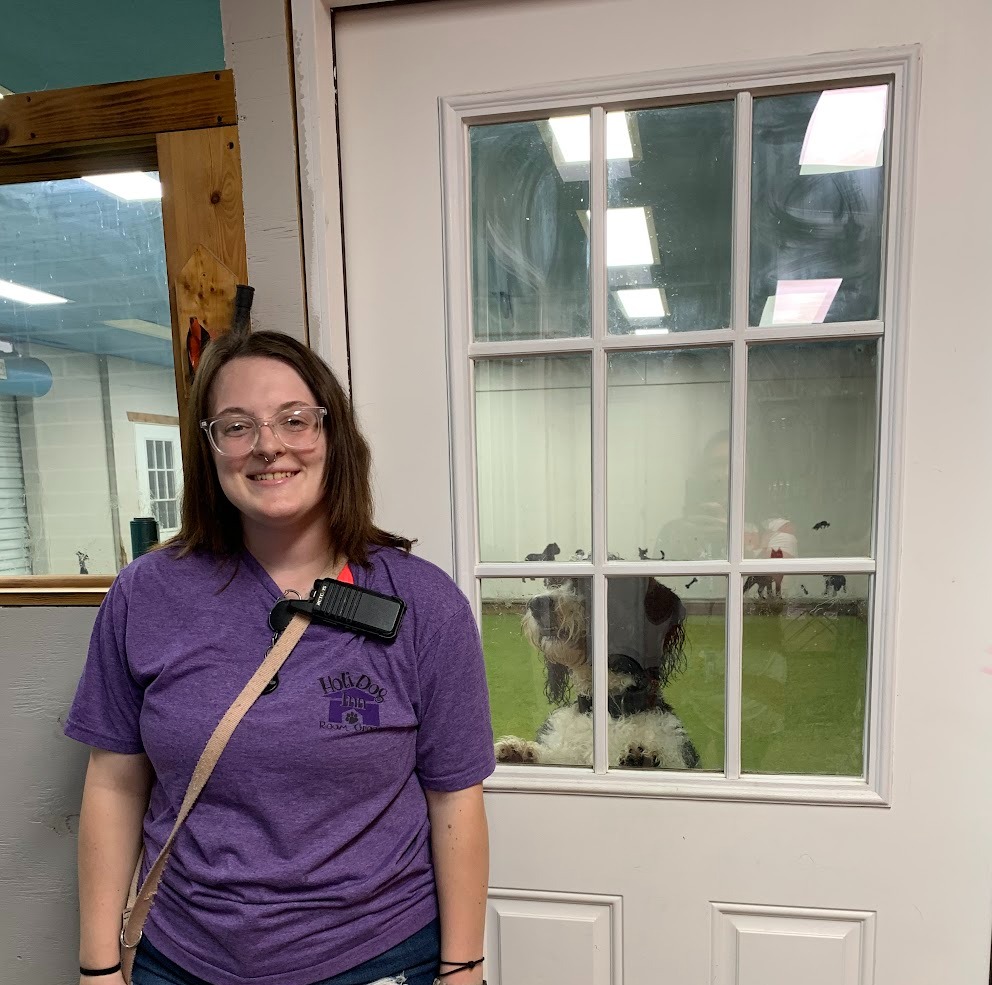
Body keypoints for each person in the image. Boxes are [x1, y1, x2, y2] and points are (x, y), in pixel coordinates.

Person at [65, 329, 495, 985]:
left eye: (295, 419)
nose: (269, 444)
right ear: (208, 449)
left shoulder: (424, 603)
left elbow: (454, 798)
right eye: (237, 426)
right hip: (183, 958)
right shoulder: (144, 596)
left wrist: (463, 966)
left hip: (376, 957)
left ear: (335, 434)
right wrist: (98, 968)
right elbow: (114, 783)